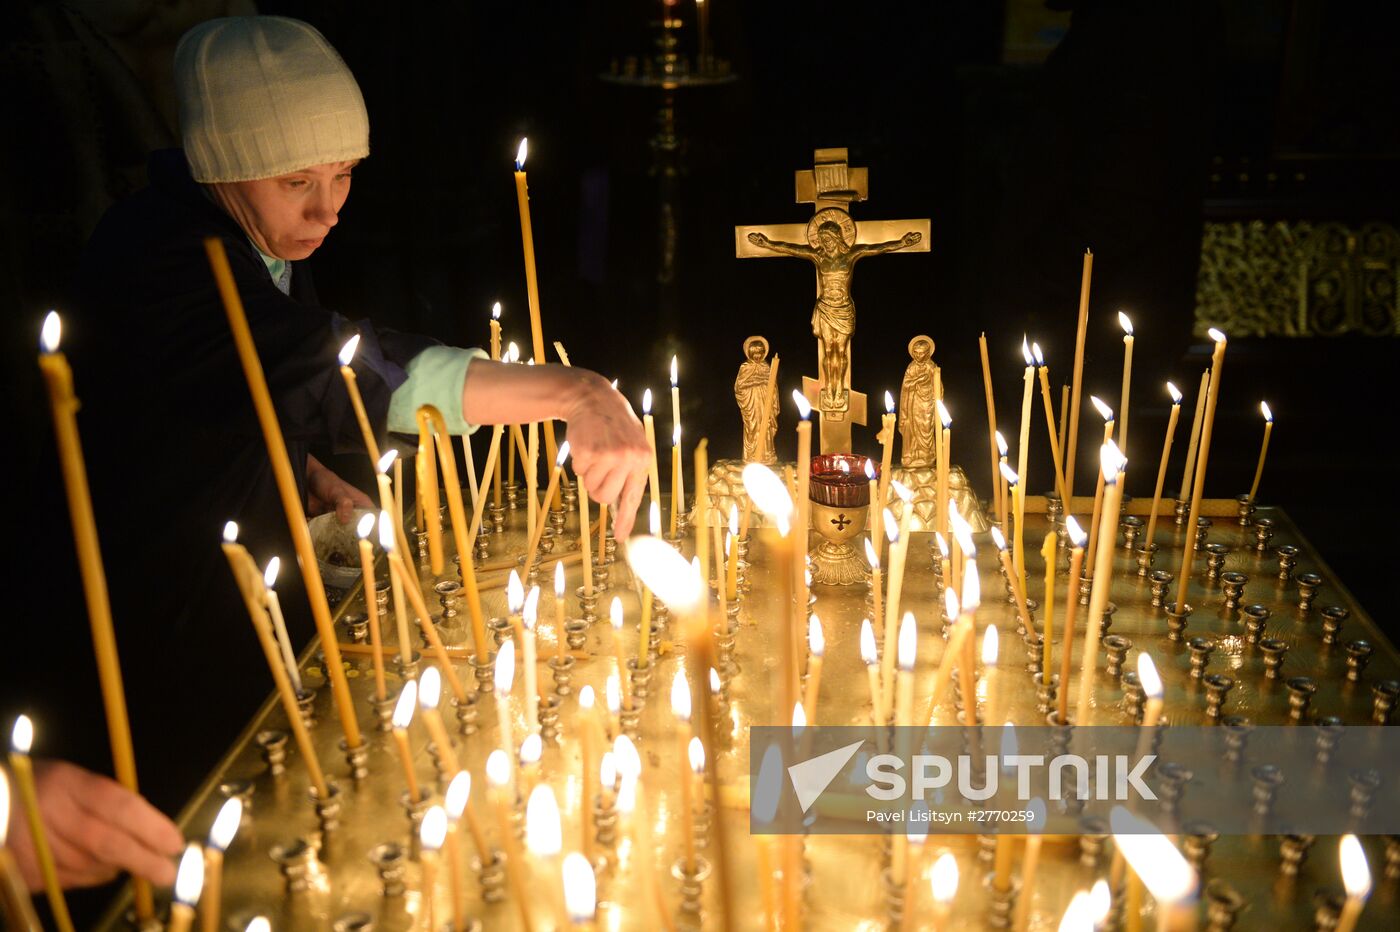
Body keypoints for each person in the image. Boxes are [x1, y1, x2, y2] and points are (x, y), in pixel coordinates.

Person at [5, 14, 650, 903]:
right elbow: (341, 365)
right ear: (220, 167)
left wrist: (304, 470)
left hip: (225, 581)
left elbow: (227, 395)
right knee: (190, 857)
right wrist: (572, 393)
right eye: (298, 179)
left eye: (344, 174)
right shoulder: (162, 257)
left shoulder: (254, 234)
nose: (328, 207)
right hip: (151, 618)